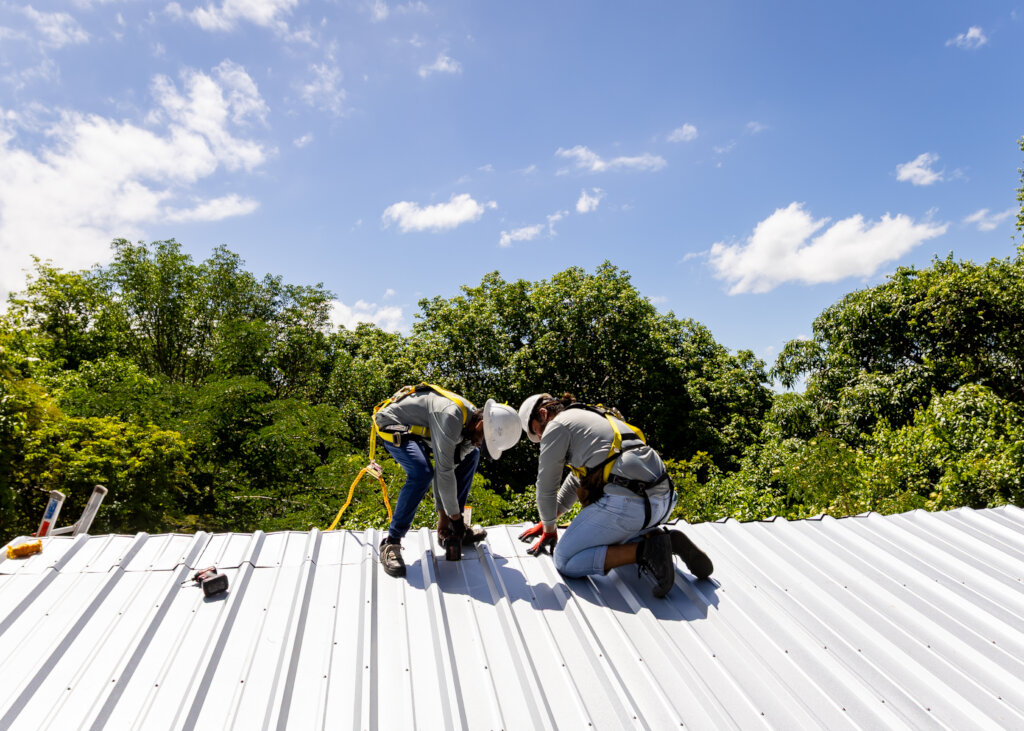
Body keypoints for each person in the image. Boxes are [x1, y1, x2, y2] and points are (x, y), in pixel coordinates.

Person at [517, 393, 713, 597]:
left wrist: (549, 529)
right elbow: (578, 478)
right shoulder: (592, 415)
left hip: (630, 505)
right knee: (607, 537)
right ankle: (665, 540)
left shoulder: (557, 426)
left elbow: (546, 486)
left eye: (537, 432)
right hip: (663, 503)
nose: (540, 439)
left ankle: (647, 550)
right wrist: (551, 517)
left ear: (543, 413)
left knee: (564, 560)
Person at [374, 384, 522, 578]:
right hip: (395, 424)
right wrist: (453, 517)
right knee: (421, 473)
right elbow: (443, 471)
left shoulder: (473, 427)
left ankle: (452, 530)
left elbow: (448, 468)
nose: (478, 443)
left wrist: (448, 520)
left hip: (422, 431)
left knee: (472, 455)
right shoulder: (452, 416)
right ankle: (391, 542)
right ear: (481, 424)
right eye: (482, 439)